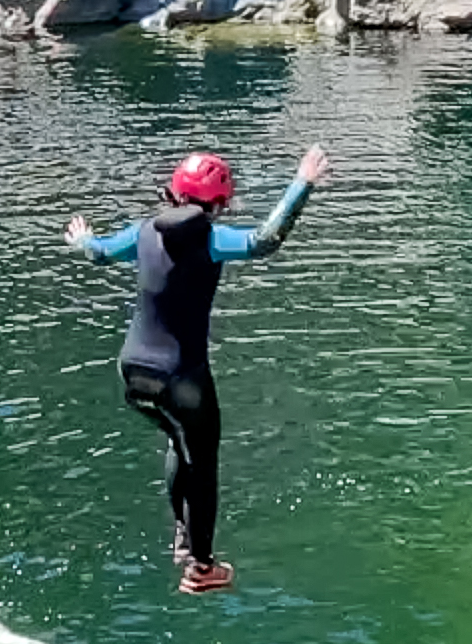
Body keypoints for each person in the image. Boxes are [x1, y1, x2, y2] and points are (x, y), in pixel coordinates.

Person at [65, 145, 333, 593]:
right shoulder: (210, 237)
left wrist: (82, 239)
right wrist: (302, 184)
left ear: (175, 191)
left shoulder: (144, 231)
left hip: (132, 374)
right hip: (181, 378)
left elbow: (101, 253)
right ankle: (202, 566)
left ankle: (182, 535)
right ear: (217, 202)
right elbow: (265, 240)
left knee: (177, 437)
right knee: (202, 461)